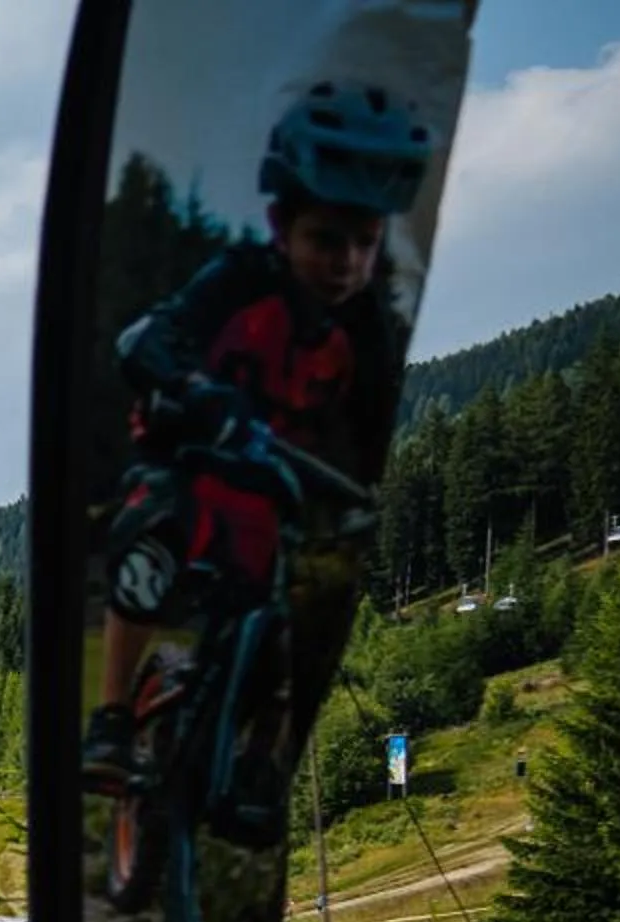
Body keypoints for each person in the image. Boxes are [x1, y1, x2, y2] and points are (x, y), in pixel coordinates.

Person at [81, 80, 432, 844]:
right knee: (146, 554)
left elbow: (367, 429)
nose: (344, 261)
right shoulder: (240, 280)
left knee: (290, 625)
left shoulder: (365, 327)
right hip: (185, 457)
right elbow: (147, 338)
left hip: (268, 488)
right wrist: (195, 390)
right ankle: (112, 718)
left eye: (363, 243)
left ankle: (254, 767)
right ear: (282, 226)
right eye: (325, 240)